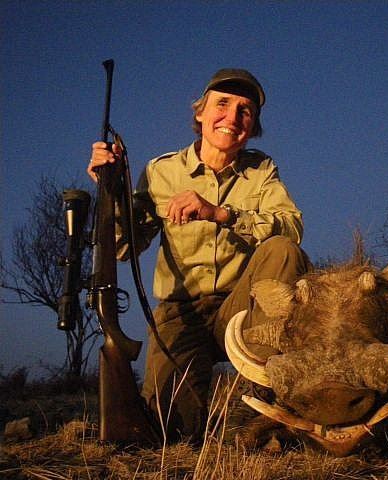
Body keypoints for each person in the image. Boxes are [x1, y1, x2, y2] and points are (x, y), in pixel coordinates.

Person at [87, 68, 309, 441]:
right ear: (200, 113)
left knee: (282, 250)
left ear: (252, 126)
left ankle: (260, 395)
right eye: (222, 104)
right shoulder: (161, 171)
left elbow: (291, 229)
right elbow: (125, 247)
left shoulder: (262, 170)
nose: (232, 117)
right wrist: (110, 190)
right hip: (181, 312)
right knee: (171, 429)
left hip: (241, 309)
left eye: (245, 111)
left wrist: (220, 214)